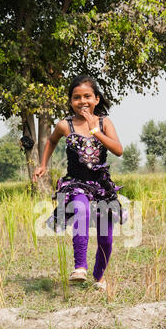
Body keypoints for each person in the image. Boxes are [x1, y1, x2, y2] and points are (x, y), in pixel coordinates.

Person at [32, 75, 127, 291]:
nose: (82, 101)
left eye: (87, 96)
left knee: (106, 238)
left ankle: (99, 276)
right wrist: (43, 164)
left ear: (96, 99)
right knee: (81, 209)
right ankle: (80, 268)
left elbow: (118, 150)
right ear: (70, 101)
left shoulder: (104, 122)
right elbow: (52, 140)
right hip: (76, 183)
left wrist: (95, 130)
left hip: (102, 187)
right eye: (76, 97)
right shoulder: (65, 125)